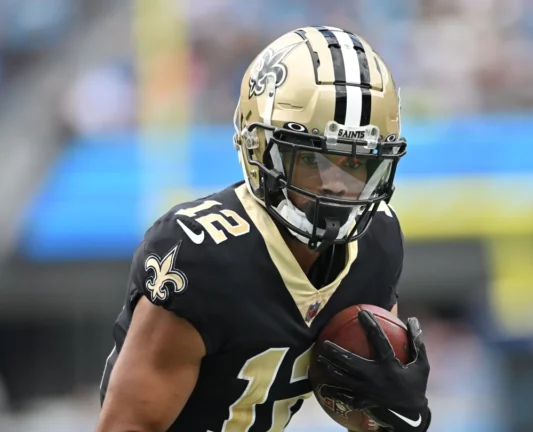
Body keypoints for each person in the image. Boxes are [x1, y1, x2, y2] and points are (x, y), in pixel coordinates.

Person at [95, 26, 431, 432]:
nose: (338, 184)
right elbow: (127, 426)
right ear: (259, 150)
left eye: (356, 163)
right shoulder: (204, 255)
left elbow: (365, 415)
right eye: (313, 161)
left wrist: (393, 416)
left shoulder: (376, 243)